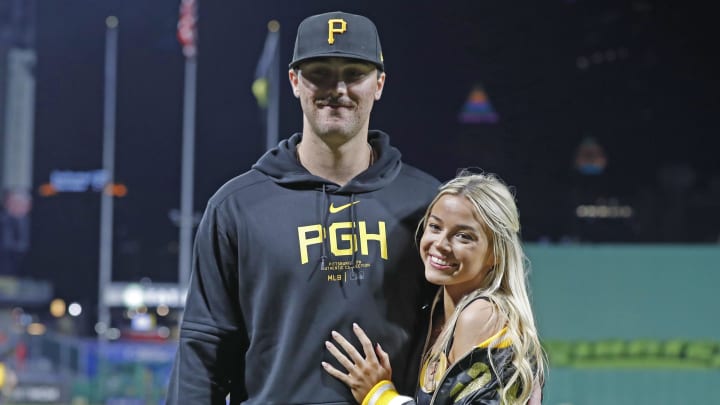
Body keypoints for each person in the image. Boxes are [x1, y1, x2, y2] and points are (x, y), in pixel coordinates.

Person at [166, 11, 440, 404]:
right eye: (321, 73)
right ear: (295, 81)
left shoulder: (427, 203)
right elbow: (204, 348)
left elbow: (456, 330)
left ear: (379, 84)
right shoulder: (237, 207)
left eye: (354, 73)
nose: (338, 88)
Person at [323, 172, 546, 404]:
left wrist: (379, 396)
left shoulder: (481, 316)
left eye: (463, 236)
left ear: (495, 254)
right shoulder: (440, 315)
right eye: (435, 227)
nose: (440, 244)